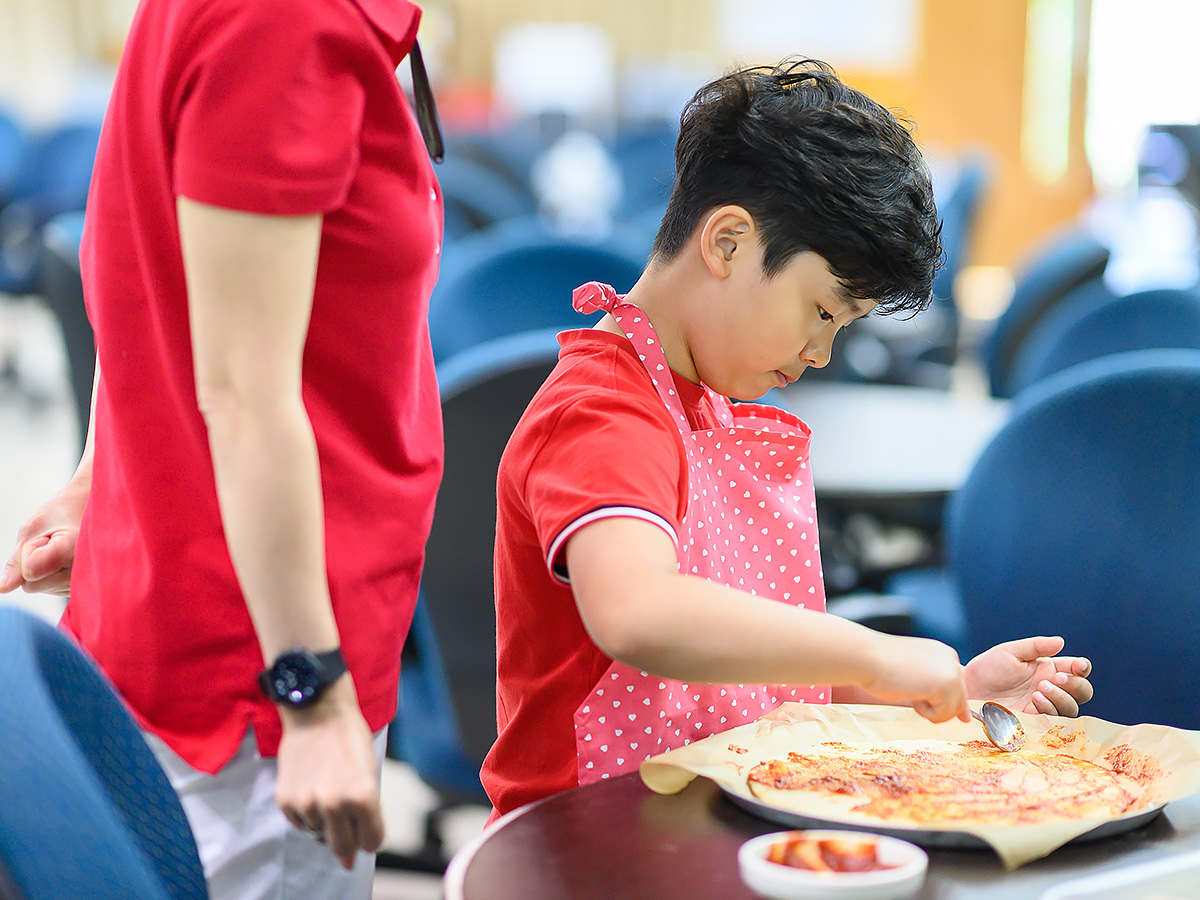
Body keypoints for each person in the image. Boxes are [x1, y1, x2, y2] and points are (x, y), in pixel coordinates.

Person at [481, 58, 1094, 818]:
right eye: (823, 311)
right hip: (589, 841)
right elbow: (641, 614)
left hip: (701, 820)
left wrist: (945, 693)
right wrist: (875, 648)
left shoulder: (706, 398)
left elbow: (759, 670)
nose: (821, 352)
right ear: (729, 243)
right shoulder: (603, 411)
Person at [0, 0, 444, 897]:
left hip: (235, 605)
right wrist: (310, 695)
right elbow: (241, 394)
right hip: (264, 658)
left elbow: (155, 264)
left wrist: (104, 480)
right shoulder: (286, 21)